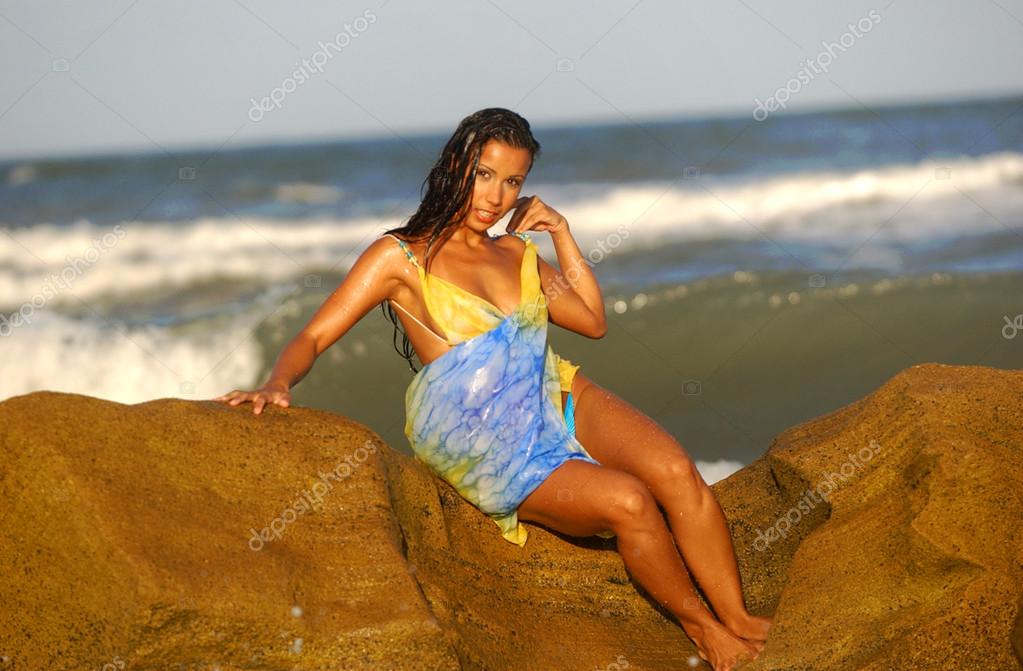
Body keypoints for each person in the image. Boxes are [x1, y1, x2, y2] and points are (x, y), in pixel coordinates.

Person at [214, 108, 770, 670]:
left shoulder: (517, 252)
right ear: (457, 164)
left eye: (513, 182)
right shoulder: (400, 256)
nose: (496, 196)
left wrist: (561, 233)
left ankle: (741, 619)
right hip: (486, 440)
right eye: (485, 174)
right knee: (629, 501)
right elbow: (314, 334)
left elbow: (592, 320)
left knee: (675, 471)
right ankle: (705, 632)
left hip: (554, 392)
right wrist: (278, 382)